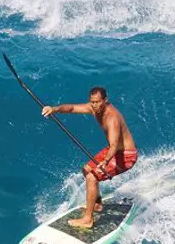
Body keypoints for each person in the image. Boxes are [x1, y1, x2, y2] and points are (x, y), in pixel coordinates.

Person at [41, 86, 138, 229]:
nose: (95, 105)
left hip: (125, 155)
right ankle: (97, 202)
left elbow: (114, 145)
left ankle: (88, 219)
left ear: (105, 100)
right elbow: (72, 108)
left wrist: (106, 161)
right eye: (92, 102)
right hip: (114, 150)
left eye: (98, 102)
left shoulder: (112, 118)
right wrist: (54, 109)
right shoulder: (93, 108)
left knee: (92, 177)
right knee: (86, 169)